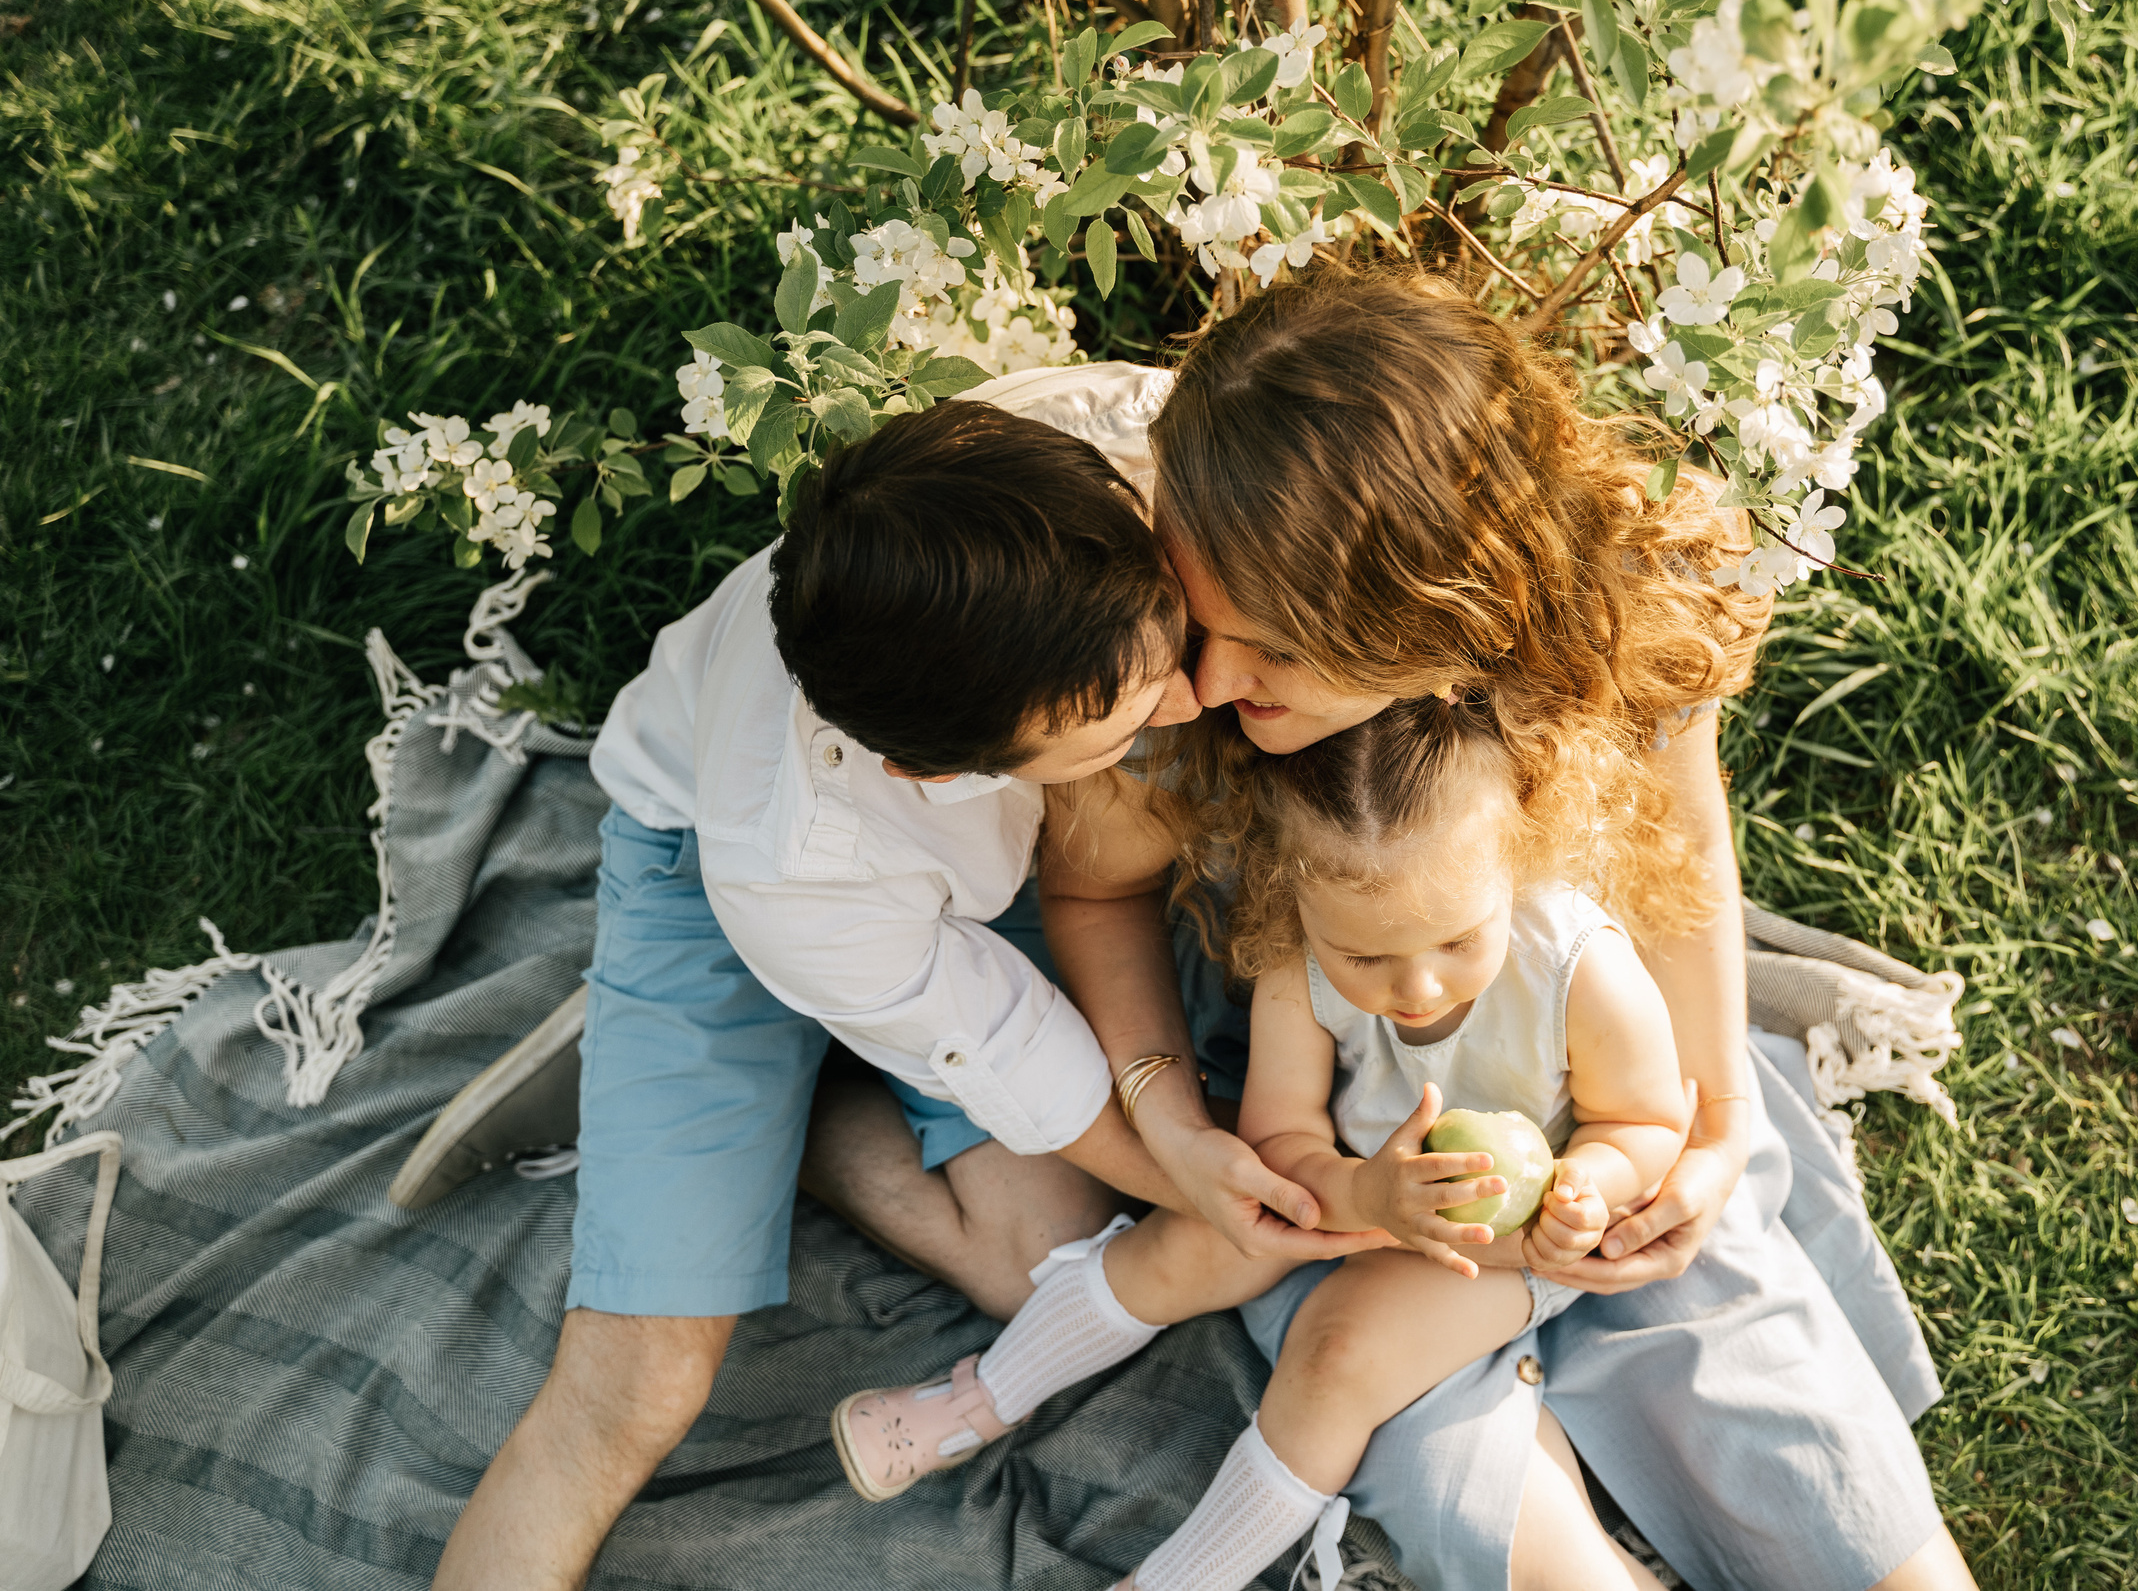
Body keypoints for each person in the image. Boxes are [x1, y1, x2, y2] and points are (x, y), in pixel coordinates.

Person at [1011, 270, 1977, 1591]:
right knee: (1455, 1459)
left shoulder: (1613, 612)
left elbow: (1684, 852)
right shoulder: (1181, 670)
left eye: (1269, 650)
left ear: (1437, 621)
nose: (1211, 679)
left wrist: (1712, 1124)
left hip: (1582, 1074)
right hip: (1352, 1128)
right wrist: (1165, 1114)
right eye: (1210, 629)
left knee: (1777, 1401)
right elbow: (1098, 887)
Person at [429, 387, 1373, 1591]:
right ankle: (672, 1056)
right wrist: (1203, 1180)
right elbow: (1027, 1057)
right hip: (714, 881)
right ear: (945, 768)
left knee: (1046, 1252)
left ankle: (776, 1113)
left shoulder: (1083, 457)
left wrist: (1182, 1158)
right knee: (638, 1387)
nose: (1189, 699)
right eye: (1121, 717)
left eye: (1168, 646)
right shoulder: (805, 880)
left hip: (960, 895)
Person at [832, 697, 1692, 1591]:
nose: (1420, 985)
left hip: (1501, 1245)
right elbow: (1281, 1137)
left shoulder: (1576, 967)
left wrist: (1584, 1188)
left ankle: (1177, 1582)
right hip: (1351, 1184)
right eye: (1365, 958)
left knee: (1340, 1353)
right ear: (1293, 897)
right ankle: (979, 1397)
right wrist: (1367, 1198)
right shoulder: (1301, 960)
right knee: (1188, 1240)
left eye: (1457, 939)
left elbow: (1646, 1120)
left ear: (1514, 856)